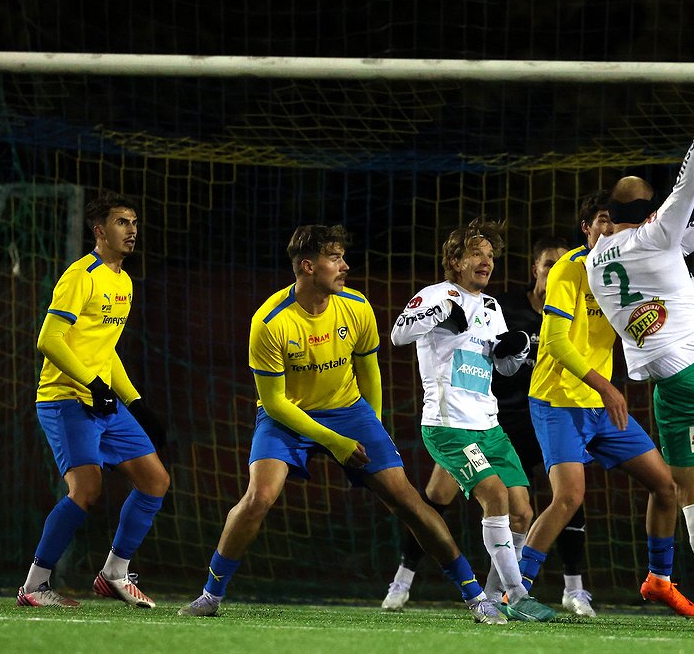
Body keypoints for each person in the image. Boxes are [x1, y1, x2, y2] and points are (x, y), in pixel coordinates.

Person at [178, 224, 503, 624]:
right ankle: (210, 595)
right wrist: (335, 443)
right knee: (259, 497)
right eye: (335, 258)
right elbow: (276, 402)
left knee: (409, 502)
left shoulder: (356, 306)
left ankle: (476, 597)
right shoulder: (269, 322)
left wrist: (376, 426)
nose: (345, 265)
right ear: (308, 266)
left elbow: (370, 371)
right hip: (287, 417)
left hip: (350, 411)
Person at [582, 79, 694, 635]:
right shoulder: (658, 232)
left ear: (608, 213)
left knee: (690, 498)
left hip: (673, 384)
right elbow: (691, 179)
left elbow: (672, 244)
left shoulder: (593, 260)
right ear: (651, 210)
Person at [519, 189, 694, 622]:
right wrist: (610, 388)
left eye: (613, 220)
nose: (608, 227)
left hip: (599, 405)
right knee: (568, 498)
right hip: (558, 401)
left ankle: (659, 580)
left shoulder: (627, 264)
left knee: (666, 487)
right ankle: (514, 591)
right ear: (587, 228)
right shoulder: (569, 269)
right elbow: (557, 342)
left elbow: (677, 242)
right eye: (600, 219)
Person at [381, 236, 587, 614]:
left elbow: (501, 365)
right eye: (477, 254)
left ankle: (494, 600)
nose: (486, 261)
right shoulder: (435, 295)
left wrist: (516, 350)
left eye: (491, 255)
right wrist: (441, 311)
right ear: (456, 260)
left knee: (522, 511)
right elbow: (397, 335)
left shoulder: (492, 306)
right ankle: (517, 595)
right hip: (449, 424)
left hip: (489, 426)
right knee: (493, 495)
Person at [17, 192, 169, 609]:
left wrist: (135, 402)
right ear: (100, 231)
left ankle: (114, 574)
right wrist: (91, 383)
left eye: (134, 222)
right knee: (87, 488)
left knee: (155, 481)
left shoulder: (123, 281)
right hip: (65, 398)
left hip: (104, 402)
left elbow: (105, 350)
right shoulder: (80, 275)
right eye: (122, 222)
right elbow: (49, 339)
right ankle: (34, 585)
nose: (132, 230)